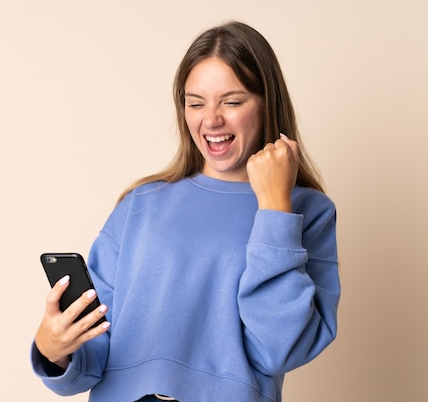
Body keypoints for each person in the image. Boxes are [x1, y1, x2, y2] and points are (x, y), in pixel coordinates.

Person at [31, 20, 340, 402]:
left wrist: (275, 210)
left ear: (267, 103)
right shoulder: (140, 205)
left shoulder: (307, 211)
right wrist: (53, 347)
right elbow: (94, 354)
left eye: (232, 101)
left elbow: (279, 349)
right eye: (196, 103)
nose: (210, 120)